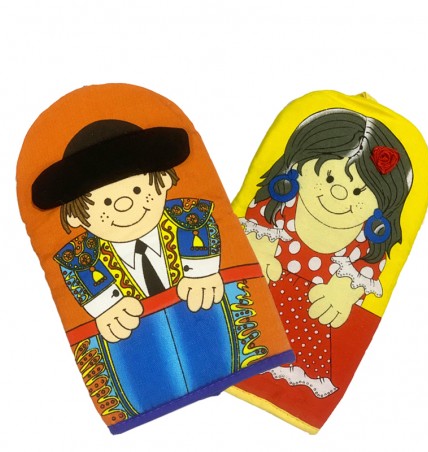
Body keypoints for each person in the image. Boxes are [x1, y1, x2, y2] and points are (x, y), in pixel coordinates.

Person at [32, 119, 267, 422]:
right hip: (139, 369)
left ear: (165, 181)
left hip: (221, 338)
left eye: (136, 189)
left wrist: (204, 271)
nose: (123, 205)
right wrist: (106, 308)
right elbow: (82, 282)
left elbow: (205, 233)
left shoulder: (189, 218)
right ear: (76, 218)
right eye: (105, 201)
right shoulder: (81, 258)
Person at [240, 108, 413, 397]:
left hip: (308, 327)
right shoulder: (280, 206)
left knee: (290, 384)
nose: (340, 194)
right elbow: (258, 228)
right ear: (297, 166)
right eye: (330, 179)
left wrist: (343, 292)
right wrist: (260, 252)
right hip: (256, 307)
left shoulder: (365, 245)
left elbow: (363, 275)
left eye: (358, 192)